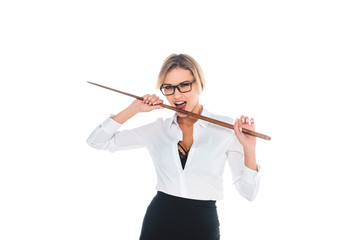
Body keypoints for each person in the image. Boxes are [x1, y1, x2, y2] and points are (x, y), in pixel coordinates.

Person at [87, 54, 260, 240]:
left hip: (202, 225)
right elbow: (97, 141)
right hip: (160, 219)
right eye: (168, 88)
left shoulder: (227, 129)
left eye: (184, 85)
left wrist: (249, 148)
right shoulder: (157, 130)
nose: (176, 95)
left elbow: (248, 193)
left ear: (199, 83)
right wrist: (134, 109)